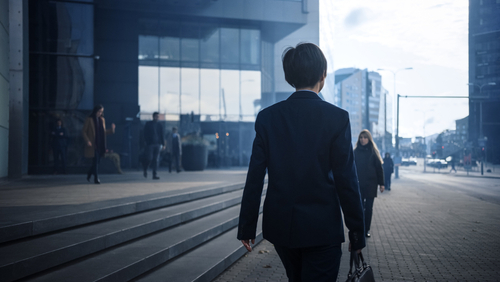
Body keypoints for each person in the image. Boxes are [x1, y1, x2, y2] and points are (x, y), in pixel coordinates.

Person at [237, 43, 365, 281]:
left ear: (290, 77)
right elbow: (346, 179)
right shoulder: (337, 118)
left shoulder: (267, 118)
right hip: (322, 229)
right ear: (322, 75)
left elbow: (254, 176)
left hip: (282, 228)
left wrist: (246, 227)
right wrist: (356, 233)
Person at [354, 129, 385, 238]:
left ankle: (367, 229)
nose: (363, 140)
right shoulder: (355, 152)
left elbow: (379, 169)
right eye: (361, 137)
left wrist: (382, 184)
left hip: (371, 185)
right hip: (358, 184)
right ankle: (360, 229)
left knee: (369, 209)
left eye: (365, 137)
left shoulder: (373, 152)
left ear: (369, 139)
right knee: (359, 208)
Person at [82, 105, 115, 184]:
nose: (100, 113)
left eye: (101, 112)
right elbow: (83, 131)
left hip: (100, 143)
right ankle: (96, 178)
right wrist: (87, 141)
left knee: (97, 161)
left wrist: (112, 129)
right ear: (95, 111)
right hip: (93, 144)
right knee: (96, 161)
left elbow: (103, 132)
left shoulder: (102, 120)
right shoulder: (89, 119)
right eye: (99, 111)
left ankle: (89, 173)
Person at [143, 112, 166, 180]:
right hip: (150, 144)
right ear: (153, 117)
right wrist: (146, 142)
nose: (157, 118)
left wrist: (163, 144)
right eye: (156, 116)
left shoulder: (160, 125)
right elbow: (145, 134)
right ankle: (145, 168)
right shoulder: (148, 124)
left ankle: (154, 174)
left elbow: (162, 135)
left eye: (158, 116)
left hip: (157, 144)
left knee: (156, 159)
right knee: (149, 158)